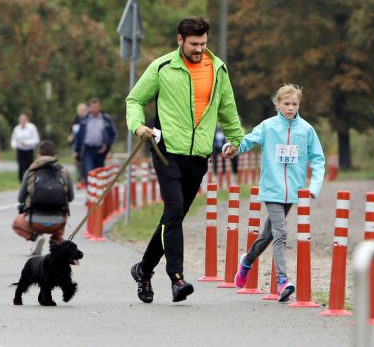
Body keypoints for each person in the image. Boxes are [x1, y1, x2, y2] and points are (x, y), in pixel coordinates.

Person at [126, 16, 244, 304]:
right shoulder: (163, 67)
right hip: (166, 152)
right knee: (175, 209)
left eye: (203, 44)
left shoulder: (217, 68)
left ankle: (143, 270)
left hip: (198, 156)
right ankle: (177, 278)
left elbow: (227, 108)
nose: (199, 49)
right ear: (180, 40)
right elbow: (134, 100)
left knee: (173, 217)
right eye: (194, 44)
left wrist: (236, 141)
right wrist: (138, 127)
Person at [227, 83, 325, 301]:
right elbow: (248, 140)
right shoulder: (268, 127)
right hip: (271, 190)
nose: (291, 108)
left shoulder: (306, 130)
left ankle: (247, 261)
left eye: (294, 104)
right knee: (281, 233)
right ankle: (283, 281)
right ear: (277, 105)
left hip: (293, 191)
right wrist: (233, 146)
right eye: (286, 104)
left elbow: (318, 159)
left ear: (299, 105)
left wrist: (314, 186)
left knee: (268, 234)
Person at [11, 139, 75, 255]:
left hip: (34, 222)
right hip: (58, 223)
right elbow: (70, 198)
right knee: (63, 210)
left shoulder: (31, 171)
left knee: (15, 224)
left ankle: (34, 237)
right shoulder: (64, 171)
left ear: (38, 155)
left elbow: (20, 198)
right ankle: (56, 240)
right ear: (55, 155)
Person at [73, 98, 116, 182]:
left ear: (100, 107)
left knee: (99, 172)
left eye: (97, 107)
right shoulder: (84, 119)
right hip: (87, 149)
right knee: (90, 172)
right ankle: (90, 191)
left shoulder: (106, 119)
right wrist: (76, 150)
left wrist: (107, 145)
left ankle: (98, 193)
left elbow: (112, 134)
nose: (95, 109)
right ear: (89, 108)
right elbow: (79, 136)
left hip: (100, 150)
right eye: (93, 107)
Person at [10, 113, 40, 182]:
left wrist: (27, 143)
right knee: (21, 166)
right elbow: (13, 140)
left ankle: (30, 180)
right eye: (21, 120)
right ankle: (21, 181)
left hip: (29, 150)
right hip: (20, 150)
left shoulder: (32, 127)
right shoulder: (16, 129)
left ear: (26, 120)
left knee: (29, 166)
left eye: (23, 119)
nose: (22, 121)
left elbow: (36, 139)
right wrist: (16, 145)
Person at [67, 102, 88, 187]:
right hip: (76, 144)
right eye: (79, 110)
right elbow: (74, 131)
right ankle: (80, 179)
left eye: (83, 110)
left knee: (83, 162)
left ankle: (84, 179)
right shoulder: (76, 119)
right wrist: (71, 137)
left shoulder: (87, 119)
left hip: (84, 145)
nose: (81, 112)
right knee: (77, 163)